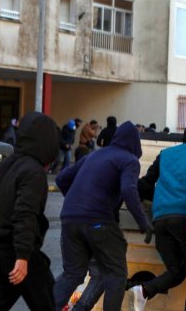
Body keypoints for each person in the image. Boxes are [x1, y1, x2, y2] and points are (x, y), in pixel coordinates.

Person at [54, 121, 153, 311]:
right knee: (116, 273)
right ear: (135, 142)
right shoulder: (129, 160)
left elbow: (61, 178)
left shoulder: (94, 155)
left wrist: (79, 203)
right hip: (98, 219)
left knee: (73, 273)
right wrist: (143, 221)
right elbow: (128, 189)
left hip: (69, 217)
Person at [0, 112, 60, 310]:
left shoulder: (6, 164)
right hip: (16, 251)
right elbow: (25, 214)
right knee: (46, 305)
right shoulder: (33, 171)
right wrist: (22, 256)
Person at [137, 119, 186, 309]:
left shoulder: (165, 154)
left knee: (176, 271)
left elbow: (145, 184)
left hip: (160, 219)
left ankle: (143, 290)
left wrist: (159, 198)